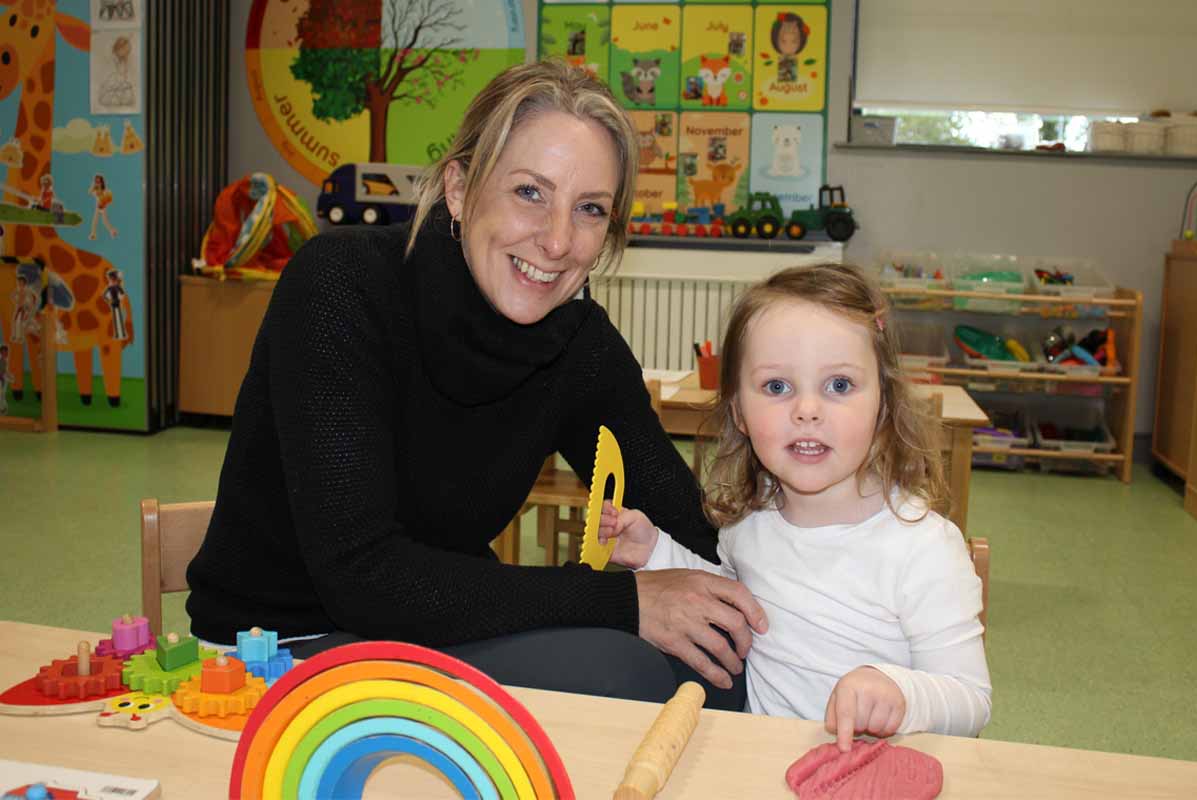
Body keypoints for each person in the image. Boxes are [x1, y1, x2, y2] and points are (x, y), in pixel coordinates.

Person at [185, 59, 765, 710]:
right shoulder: (342, 286)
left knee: (719, 660)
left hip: (433, 629)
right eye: (530, 192)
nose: (557, 240)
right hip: (273, 650)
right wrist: (622, 601)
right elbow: (362, 576)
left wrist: (815, 561)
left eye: (590, 209)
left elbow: (686, 521)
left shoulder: (579, 343)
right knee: (627, 673)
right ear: (459, 189)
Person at [599, 263, 991, 747]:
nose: (807, 410)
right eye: (777, 387)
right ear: (740, 412)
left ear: (883, 406)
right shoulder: (751, 523)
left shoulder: (923, 548)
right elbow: (732, 600)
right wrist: (656, 551)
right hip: (763, 761)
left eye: (839, 385)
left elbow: (971, 700)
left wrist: (900, 692)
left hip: (875, 771)